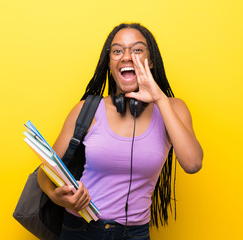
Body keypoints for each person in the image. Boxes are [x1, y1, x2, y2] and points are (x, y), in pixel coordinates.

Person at [38, 22, 203, 240]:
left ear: (151, 60)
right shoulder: (87, 110)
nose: (126, 56)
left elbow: (192, 164)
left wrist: (159, 99)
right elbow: (45, 172)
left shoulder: (173, 109)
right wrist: (58, 197)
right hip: (80, 229)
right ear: (110, 63)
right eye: (117, 50)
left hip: (135, 234)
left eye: (137, 49)